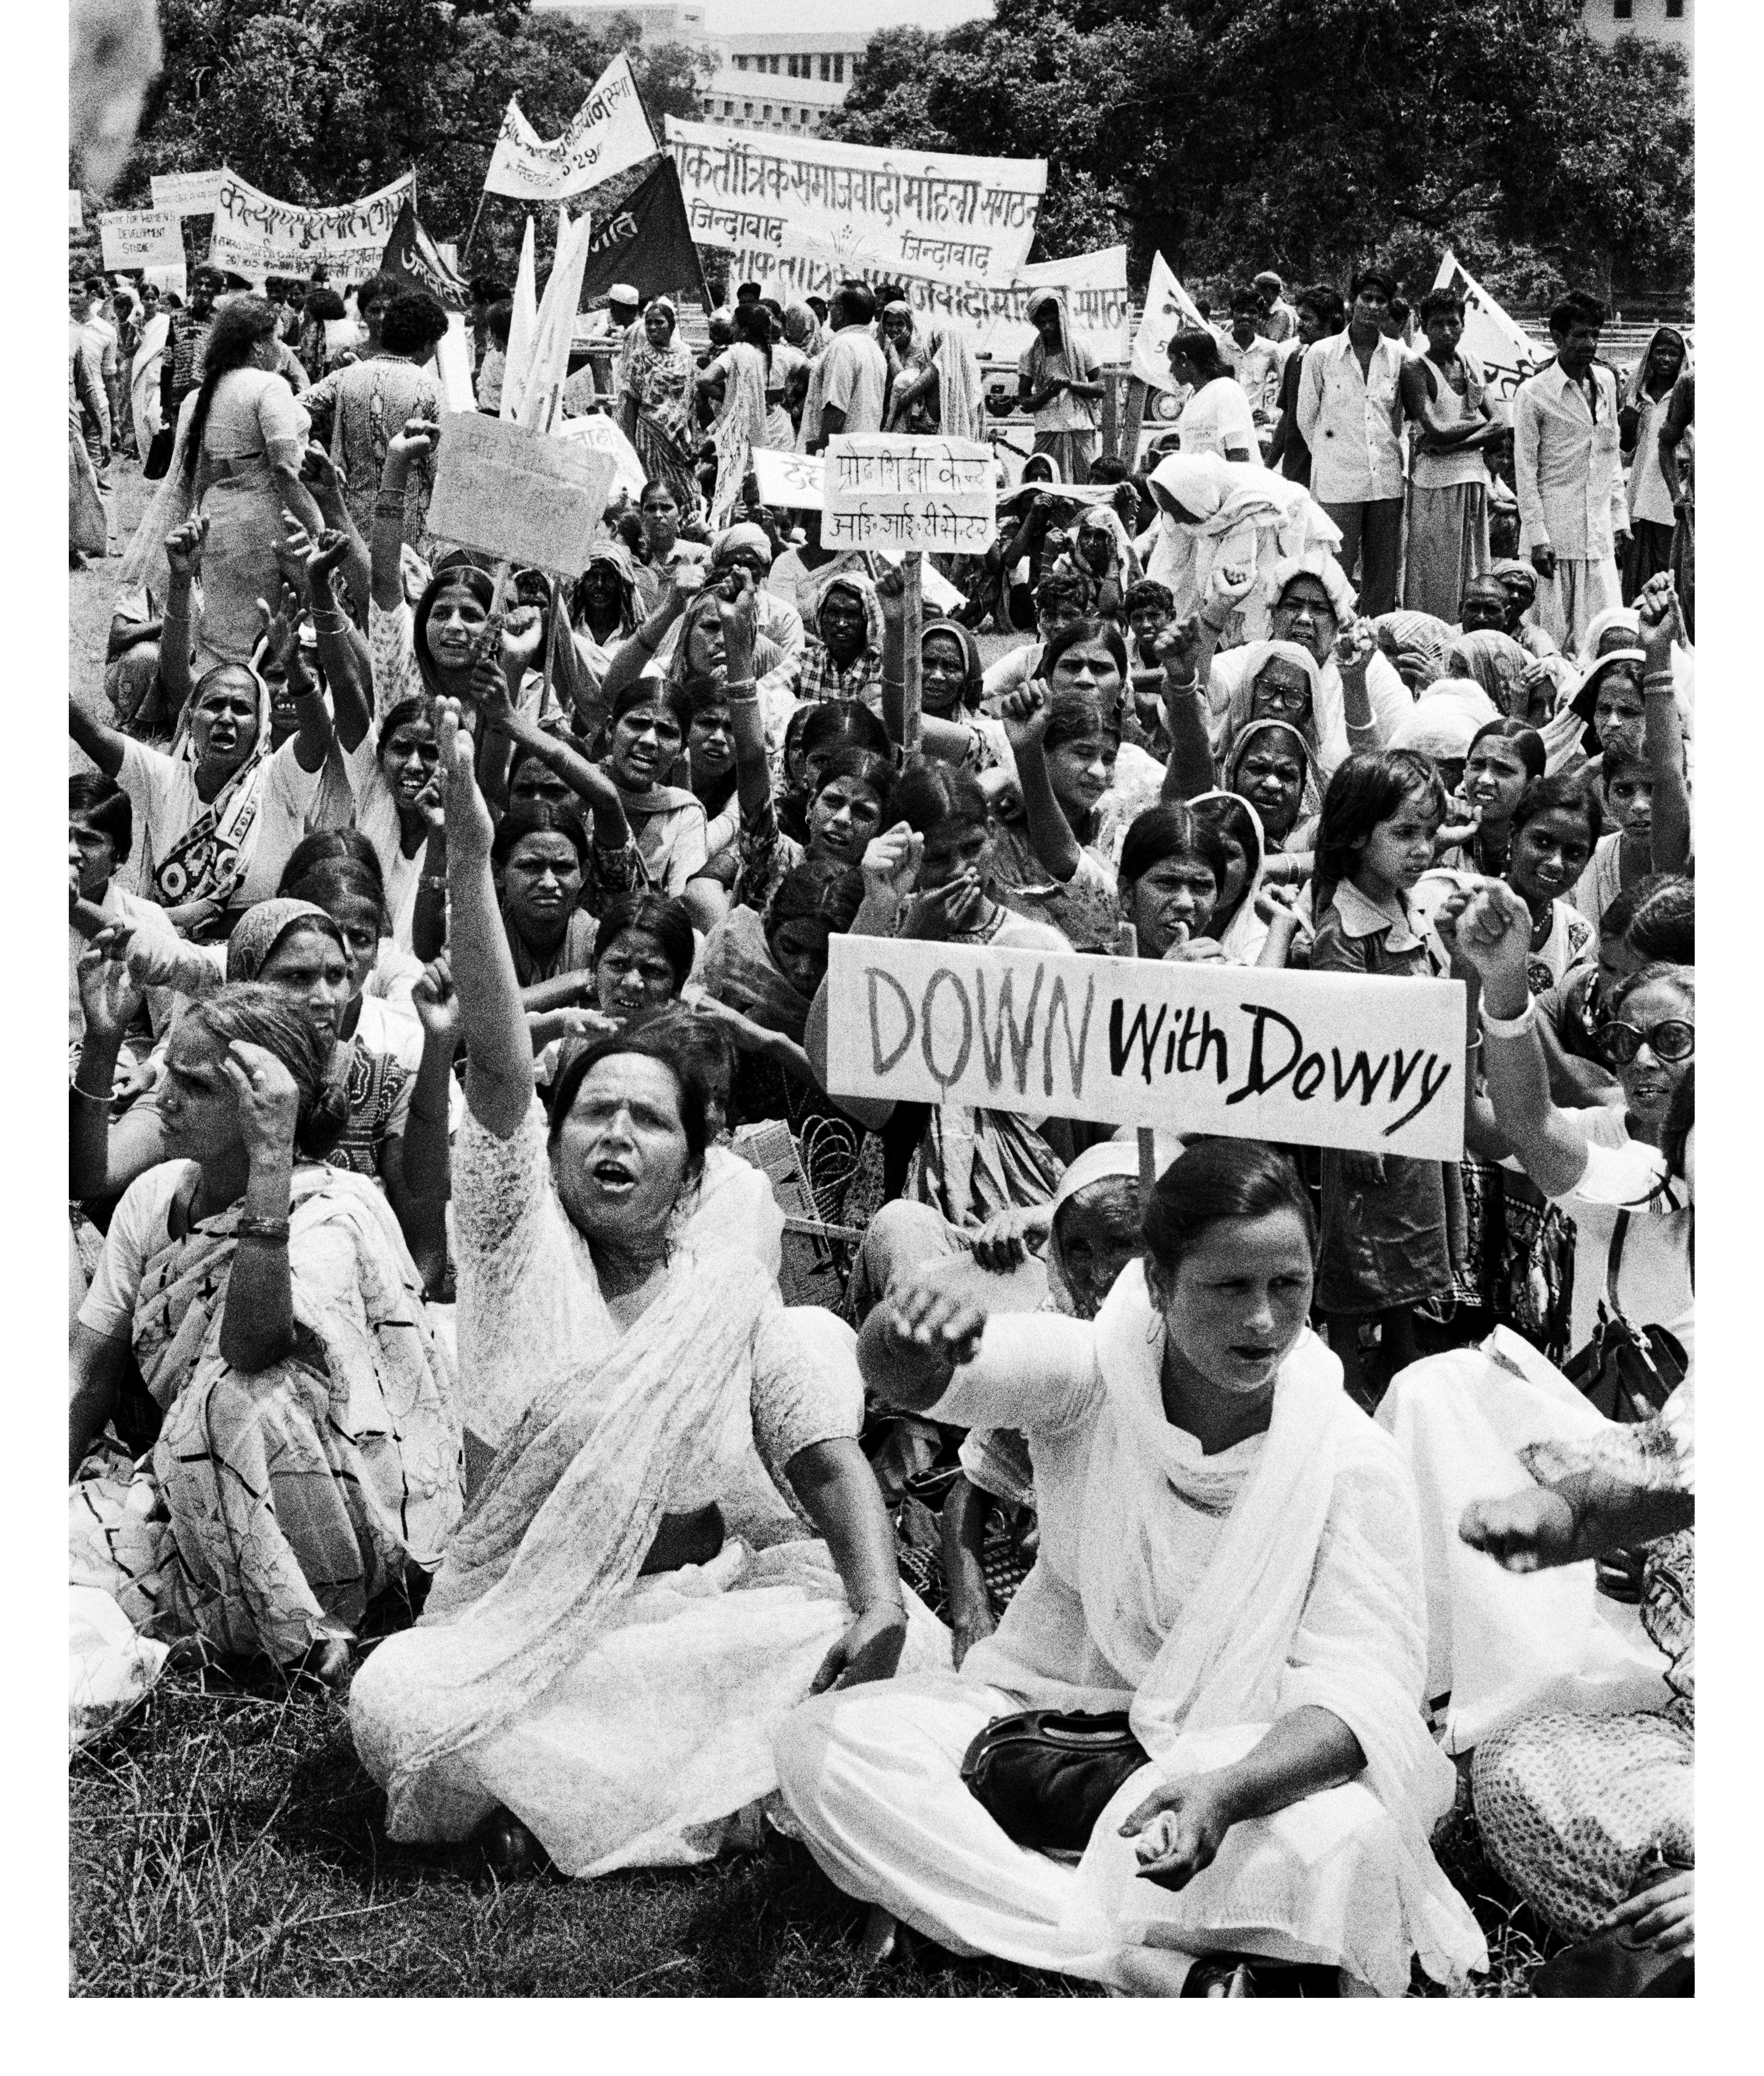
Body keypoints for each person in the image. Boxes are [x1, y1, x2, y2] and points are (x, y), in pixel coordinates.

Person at [345, 699, 928, 1878]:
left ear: (693, 1159)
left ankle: (573, 1793)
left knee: (863, 1632)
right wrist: (466, 849)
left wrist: (875, 1599)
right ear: (550, 1148)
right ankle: (720, 1784)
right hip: (523, 1627)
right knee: (396, 1697)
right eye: (593, 1113)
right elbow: (503, 1067)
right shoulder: (521, 1244)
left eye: (646, 1119)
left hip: (693, 1612)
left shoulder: (724, 1284)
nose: (614, 1135)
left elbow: (821, 1456)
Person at [774, 1136, 1486, 1996]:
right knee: (823, 1748)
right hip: (1041, 1726)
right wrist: (896, 1338)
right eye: (1227, 1286)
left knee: (1345, 1843)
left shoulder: (1347, 1456)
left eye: (1286, 1285)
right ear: (1156, 1283)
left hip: (1229, 1757)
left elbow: (1358, 1694)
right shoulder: (1091, 1373)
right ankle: (1157, 1964)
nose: (1263, 1321)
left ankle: (979, 1895)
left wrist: (1223, 1792)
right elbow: (936, 1378)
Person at [68, 980, 461, 1681]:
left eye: (197, 1085)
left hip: (332, 1506)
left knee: (230, 1395)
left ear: (263, 1101)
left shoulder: (334, 1211)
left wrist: (272, 1160)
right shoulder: (156, 1196)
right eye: (165, 1074)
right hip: (199, 1496)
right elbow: (90, 1368)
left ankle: (306, 1634)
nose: (165, 1097)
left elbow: (252, 1346)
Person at [1309, 750, 1476, 1404]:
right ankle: (1347, 1363)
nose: (1422, 849)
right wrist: (1356, 1132)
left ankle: (1405, 1343)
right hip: (1368, 1116)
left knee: (1412, 1233)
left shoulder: (1410, 909)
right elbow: (1334, 1041)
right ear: (1355, 834)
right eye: (1404, 833)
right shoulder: (1344, 930)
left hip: (1415, 1106)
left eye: (1428, 834)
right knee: (1360, 1246)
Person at [68, 608, 334, 934]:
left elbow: (318, 735)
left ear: (261, 723)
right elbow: (92, 734)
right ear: (191, 715)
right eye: (213, 705)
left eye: (241, 709)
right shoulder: (162, 778)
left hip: (254, 954)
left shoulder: (279, 778)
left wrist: (294, 667)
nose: (226, 717)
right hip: (167, 948)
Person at [125, 296, 326, 668]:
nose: (281, 349)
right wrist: (320, 528)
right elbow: (285, 469)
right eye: (278, 339)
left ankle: (217, 691)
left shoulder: (198, 397)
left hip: (217, 520)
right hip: (265, 522)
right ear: (258, 344)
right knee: (267, 624)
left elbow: (196, 477)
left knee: (223, 627)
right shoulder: (270, 386)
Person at [1513, 292, 1630, 652]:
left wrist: (1619, 519)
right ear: (1558, 338)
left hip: (1597, 537)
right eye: (1580, 335)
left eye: (1595, 334)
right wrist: (1537, 537)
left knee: (1606, 637)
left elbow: (1610, 458)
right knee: (1549, 642)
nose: (1589, 344)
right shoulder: (1533, 394)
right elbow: (1525, 471)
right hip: (1553, 540)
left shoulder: (1607, 384)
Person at [1296, 269, 1406, 615]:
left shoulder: (1398, 357)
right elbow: (1306, 418)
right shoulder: (1321, 354)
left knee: (1382, 577)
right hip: (1338, 482)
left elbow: (1399, 419)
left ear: (1389, 306)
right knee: (1333, 573)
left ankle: (1373, 649)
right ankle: (1329, 644)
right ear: (1352, 300)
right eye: (1367, 298)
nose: (1373, 306)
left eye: (1381, 300)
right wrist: (1331, 457)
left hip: (1386, 482)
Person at [302, 288, 447, 544]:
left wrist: (309, 453)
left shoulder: (348, 375)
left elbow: (296, 407)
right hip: (406, 525)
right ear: (426, 343)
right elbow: (441, 468)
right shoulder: (430, 387)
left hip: (351, 519)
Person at [1140, 452, 1339, 638]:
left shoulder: (1249, 506)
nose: (1176, 517)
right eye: (1168, 510)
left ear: (1195, 498)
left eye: (1176, 509)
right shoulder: (1185, 501)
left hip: (1290, 536)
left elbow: (1257, 586)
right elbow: (1168, 567)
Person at [1400, 288, 1501, 621]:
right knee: (1434, 573)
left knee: (1472, 569)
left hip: (1472, 479)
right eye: (1438, 324)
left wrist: (1451, 445)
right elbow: (1435, 429)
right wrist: (1458, 435)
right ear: (1424, 327)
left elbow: (1500, 422)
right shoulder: (1416, 369)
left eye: (1453, 323)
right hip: (1435, 485)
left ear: (1463, 326)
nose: (1446, 331)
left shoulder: (1471, 363)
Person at [1618, 327, 1689, 602]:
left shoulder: (1689, 396)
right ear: (1650, 356)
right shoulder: (1636, 396)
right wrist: (1627, 430)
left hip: (1676, 493)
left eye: (1673, 353)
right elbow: (1625, 456)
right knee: (1638, 575)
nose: (1666, 359)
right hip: (1641, 492)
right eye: (1660, 351)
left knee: (1672, 570)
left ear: (1682, 357)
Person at [614, 296, 699, 516]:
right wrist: (631, 442)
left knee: (686, 486)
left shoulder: (686, 355)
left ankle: (686, 525)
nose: (653, 327)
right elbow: (632, 401)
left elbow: (689, 400)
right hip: (649, 436)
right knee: (653, 486)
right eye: (649, 322)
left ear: (671, 325)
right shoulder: (639, 357)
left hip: (678, 436)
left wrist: (693, 438)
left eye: (659, 322)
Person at [1018, 289, 1104, 481]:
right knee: (1043, 487)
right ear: (1035, 322)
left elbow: (1101, 388)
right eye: (1042, 323)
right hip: (1047, 430)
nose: (1048, 327)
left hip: (1081, 430)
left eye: (1052, 321)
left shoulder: (1082, 346)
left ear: (1062, 318)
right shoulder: (1029, 355)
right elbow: (1024, 403)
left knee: (1084, 487)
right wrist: (1048, 394)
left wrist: (1070, 384)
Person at [1267, 283, 1345, 488]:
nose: (1300, 325)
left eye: (1307, 319)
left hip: (1337, 475)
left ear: (1331, 322)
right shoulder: (1296, 359)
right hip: (1297, 474)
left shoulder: (1347, 363)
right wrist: (1267, 467)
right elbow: (1288, 417)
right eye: (1300, 318)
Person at [798, 283, 887, 453]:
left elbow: (836, 409)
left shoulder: (843, 345)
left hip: (835, 457)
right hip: (859, 455)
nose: (829, 310)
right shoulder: (875, 349)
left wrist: (821, 453)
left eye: (831, 305)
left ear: (841, 311)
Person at [880, 302, 985, 441]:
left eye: (900, 324)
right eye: (889, 324)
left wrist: (892, 350)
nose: (894, 329)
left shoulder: (929, 362)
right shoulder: (880, 344)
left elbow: (904, 390)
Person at [1164, 328, 1257, 464]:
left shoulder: (1226, 391)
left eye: (1172, 361)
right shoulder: (1193, 396)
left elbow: (1240, 458)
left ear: (1184, 359)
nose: (1171, 369)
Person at [1654, 367, 1694, 639]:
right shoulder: (1692, 383)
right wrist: (1675, 494)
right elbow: (1666, 442)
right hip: (1697, 509)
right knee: (1693, 594)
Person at [160, 266, 221, 424]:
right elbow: (168, 361)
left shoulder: (221, 321)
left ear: (216, 290)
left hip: (208, 400)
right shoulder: (176, 317)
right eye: (199, 283)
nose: (203, 288)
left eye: (209, 285)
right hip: (178, 398)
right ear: (192, 286)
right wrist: (164, 402)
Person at [1219, 286, 1284, 426]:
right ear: (1232, 314)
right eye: (1241, 311)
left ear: (1260, 316)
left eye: (1252, 312)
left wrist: (1271, 414)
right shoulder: (1218, 346)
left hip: (1254, 427)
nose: (1246, 316)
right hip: (1221, 423)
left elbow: (1287, 388)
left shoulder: (1270, 349)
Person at [1255, 269, 1299, 344]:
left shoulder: (1280, 313)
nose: (1258, 295)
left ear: (1268, 291)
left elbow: (1270, 343)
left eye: (1259, 290)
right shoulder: (1274, 309)